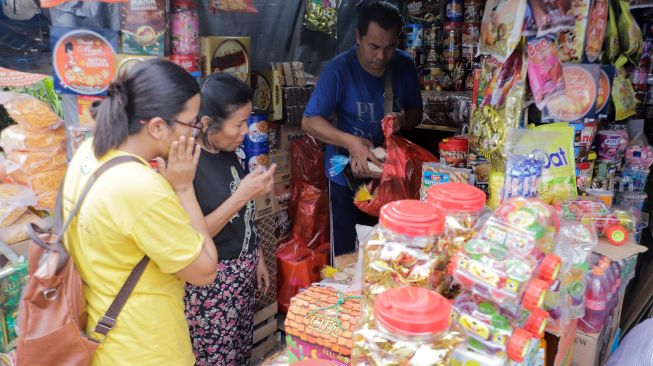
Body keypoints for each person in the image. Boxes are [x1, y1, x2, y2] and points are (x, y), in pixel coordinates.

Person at [62, 59, 218, 365]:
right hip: (147, 348)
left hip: (104, 341)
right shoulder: (141, 188)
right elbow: (205, 270)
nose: (196, 133)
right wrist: (183, 189)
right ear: (158, 126)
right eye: (191, 123)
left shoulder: (88, 152)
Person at [302, 1, 423, 255]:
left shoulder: (404, 66)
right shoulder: (338, 70)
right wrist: (350, 142)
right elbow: (310, 121)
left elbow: (416, 113)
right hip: (345, 177)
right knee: (347, 255)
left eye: (390, 47)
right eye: (374, 46)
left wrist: (402, 120)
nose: (381, 56)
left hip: (391, 178)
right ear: (358, 36)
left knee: (388, 254)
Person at [185, 73, 276, 366]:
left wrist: (257, 256)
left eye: (247, 123)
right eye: (238, 124)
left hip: (242, 275)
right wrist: (243, 195)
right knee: (215, 359)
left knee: (239, 354)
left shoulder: (233, 152)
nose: (245, 132)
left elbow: (244, 218)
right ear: (207, 123)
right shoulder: (188, 166)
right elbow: (195, 236)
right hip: (212, 285)